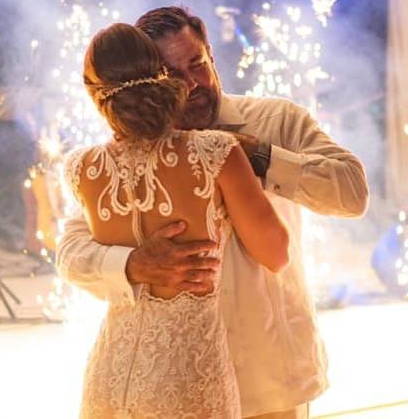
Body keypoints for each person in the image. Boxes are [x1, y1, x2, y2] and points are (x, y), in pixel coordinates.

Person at [57, 6, 370, 419]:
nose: (192, 84)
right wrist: (133, 264)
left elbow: (352, 192)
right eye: (173, 73)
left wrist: (260, 156)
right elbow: (71, 253)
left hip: (269, 377)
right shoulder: (127, 157)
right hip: (174, 381)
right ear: (149, 78)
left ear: (210, 55)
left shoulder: (274, 120)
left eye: (197, 64)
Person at [66, 22, 290, 418]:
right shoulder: (215, 153)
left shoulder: (82, 169)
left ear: (94, 94)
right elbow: (276, 253)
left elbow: (72, 255)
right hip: (187, 373)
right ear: (162, 76)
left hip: (111, 371)